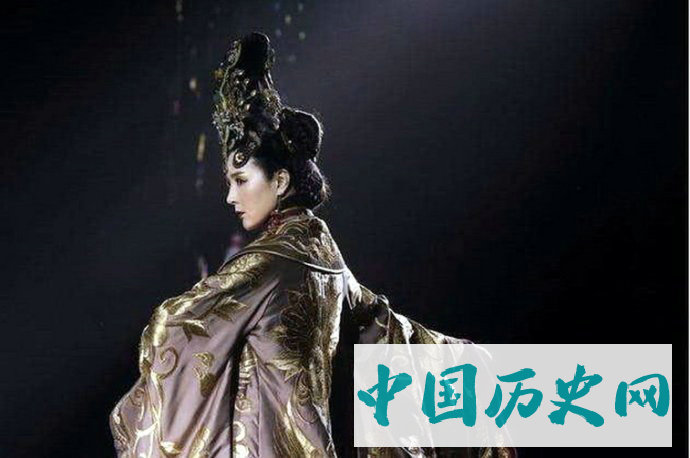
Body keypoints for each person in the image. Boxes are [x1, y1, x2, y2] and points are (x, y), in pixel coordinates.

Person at [109, 32, 515, 458]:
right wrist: (467, 362)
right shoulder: (327, 260)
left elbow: (174, 324)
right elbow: (386, 328)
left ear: (280, 180)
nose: (230, 196)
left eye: (241, 180)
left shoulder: (266, 264)